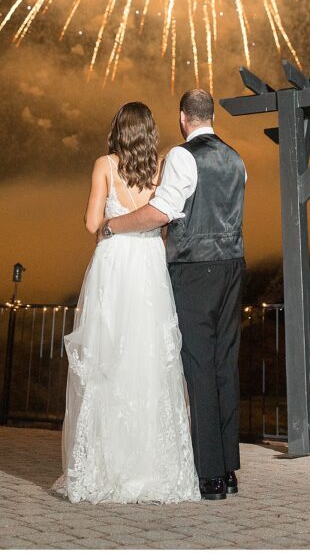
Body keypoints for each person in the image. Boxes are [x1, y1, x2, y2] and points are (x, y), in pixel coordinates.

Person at [100, 89, 246, 501]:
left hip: (195, 269)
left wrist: (114, 226)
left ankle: (209, 474)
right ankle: (229, 469)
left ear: (184, 118)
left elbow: (161, 212)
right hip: (233, 266)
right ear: (211, 116)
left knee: (197, 367)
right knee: (224, 366)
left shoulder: (183, 156)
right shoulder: (237, 158)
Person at [54, 101, 201, 505]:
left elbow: (90, 223)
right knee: (149, 359)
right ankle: (151, 467)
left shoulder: (104, 164)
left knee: (108, 360)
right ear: (150, 132)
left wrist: (110, 223)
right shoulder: (160, 166)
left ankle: (106, 465)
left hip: (115, 261)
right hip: (149, 263)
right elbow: (166, 216)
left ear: (118, 130)